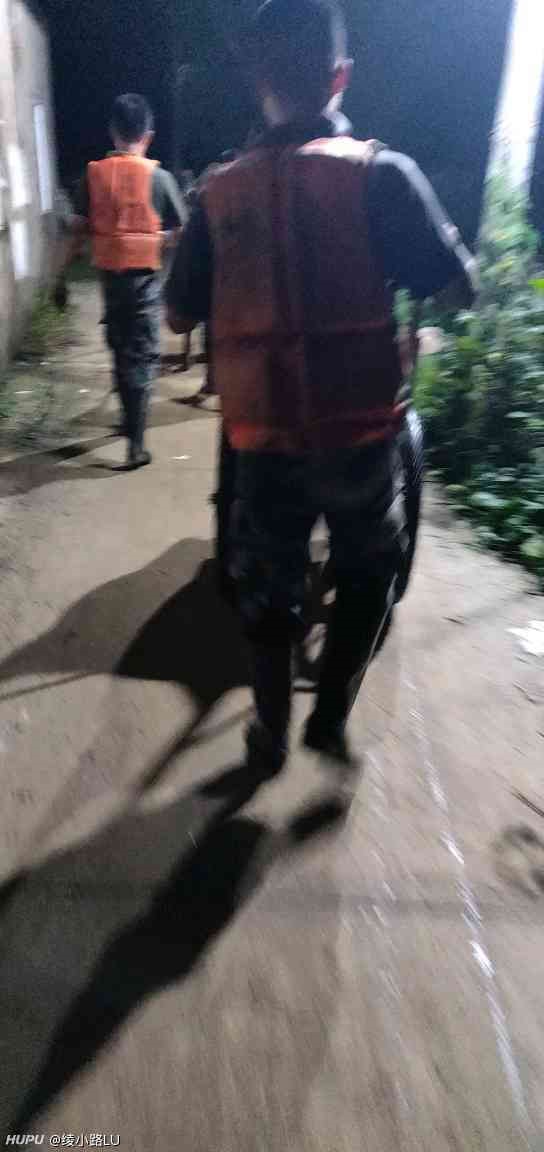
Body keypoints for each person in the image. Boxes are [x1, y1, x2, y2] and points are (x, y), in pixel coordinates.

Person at [167, 0, 477, 775]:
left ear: (256, 81)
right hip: (361, 437)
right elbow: (456, 289)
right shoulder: (382, 175)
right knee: (371, 570)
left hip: (260, 439)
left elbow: (176, 315)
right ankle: (330, 716)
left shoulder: (218, 194)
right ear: (340, 77)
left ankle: (268, 731)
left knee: (267, 589)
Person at [70, 93, 185, 469]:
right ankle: (136, 444)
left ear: (112, 131)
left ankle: (126, 419)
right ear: (148, 136)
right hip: (145, 284)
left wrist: (58, 278)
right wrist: (159, 239)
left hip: (110, 282)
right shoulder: (160, 178)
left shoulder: (92, 175)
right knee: (144, 357)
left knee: (121, 351)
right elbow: (181, 230)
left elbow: (78, 231)